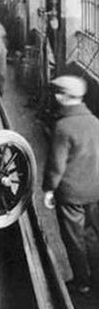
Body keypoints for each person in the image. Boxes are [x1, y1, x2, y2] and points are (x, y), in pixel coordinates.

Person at [43, 75, 99, 295]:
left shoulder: (63, 127)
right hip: (95, 189)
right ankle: (97, 277)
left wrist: (48, 189)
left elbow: (56, 166)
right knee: (91, 235)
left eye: (58, 94)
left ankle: (82, 282)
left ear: (63, 97)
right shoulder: (95, 122)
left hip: (71, 194)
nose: (56, 97)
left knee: (74, 238)